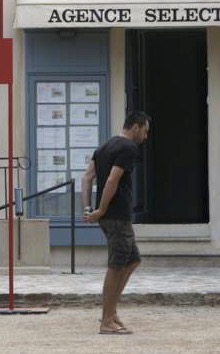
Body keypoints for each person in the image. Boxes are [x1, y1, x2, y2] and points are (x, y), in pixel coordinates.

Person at [81, 111, 151, 335]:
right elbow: (112, 179)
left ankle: (111, 312)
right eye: (145, 131)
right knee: (117, 265)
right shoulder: (128, 148)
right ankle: (106, 321)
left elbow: (87, 177)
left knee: (132, 261)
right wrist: (101, 210)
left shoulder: (104, 147)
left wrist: (88, 209)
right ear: (136, 127)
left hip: (111, 217)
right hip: (116, 215)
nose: (145, 137)